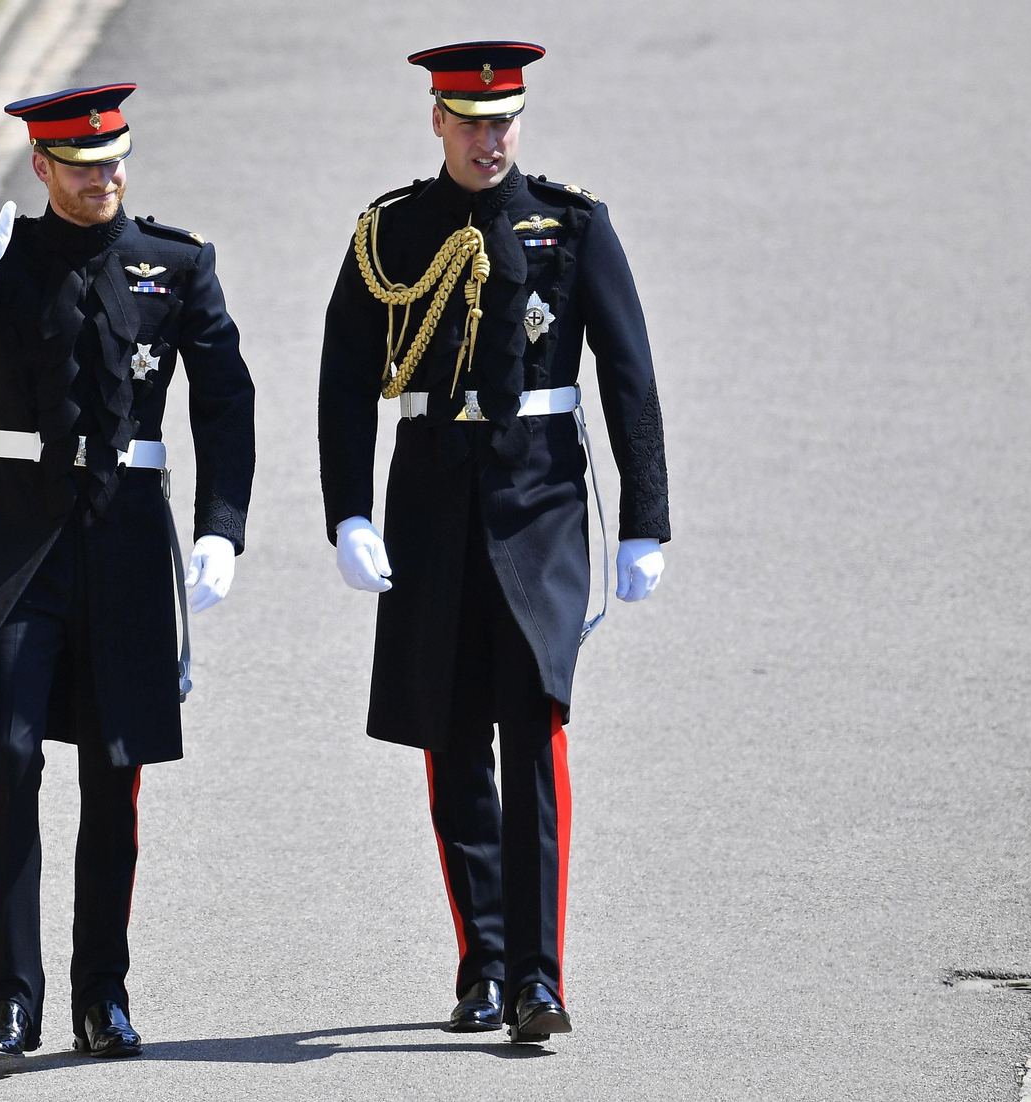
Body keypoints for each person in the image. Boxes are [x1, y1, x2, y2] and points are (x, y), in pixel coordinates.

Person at [0, 82, 255, 1060]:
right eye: (84, 166)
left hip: (126, 538)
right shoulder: (5, 257)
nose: (105, 179)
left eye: (115, 161)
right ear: (43, 167)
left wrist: (221, 527)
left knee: (113, 769)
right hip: (19, 541)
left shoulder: (176, 262)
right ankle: (13, 999)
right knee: (10, 756)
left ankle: (103, 995)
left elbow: (226, 399)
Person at [317, 40, 671, 1044]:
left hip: (540, 500)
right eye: (471, 121)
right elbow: (345, 378)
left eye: (504, 119)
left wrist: (645, 520)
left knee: (534, 721)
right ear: (437, 119)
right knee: (452, 730)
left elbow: (629, 377)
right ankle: (482, 960)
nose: (490, 138)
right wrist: (348, 510)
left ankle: (538, 978)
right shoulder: (391, 231)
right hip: (431, 496)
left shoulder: (572, 224)